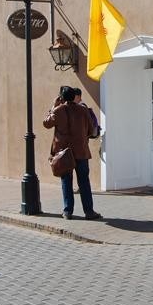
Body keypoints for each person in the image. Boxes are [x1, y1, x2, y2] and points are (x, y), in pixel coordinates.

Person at [43, 85, 102, 221]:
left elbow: (46, 123)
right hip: (81, 151)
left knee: (66, 182)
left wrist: (53, 106)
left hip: (64, 153)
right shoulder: (83, 110)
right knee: (84, 182)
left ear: (61, 97)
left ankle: (68, 211)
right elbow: (90, 129)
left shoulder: (58, 110)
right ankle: (89, 211)